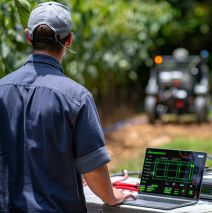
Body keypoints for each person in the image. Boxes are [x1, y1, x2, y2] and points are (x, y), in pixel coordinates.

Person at [0, 2, 134, 212]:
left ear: (28, 36)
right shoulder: (76, 97)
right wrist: (113, 196)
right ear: (69, 40)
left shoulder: (1, 89)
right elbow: (94, 171)